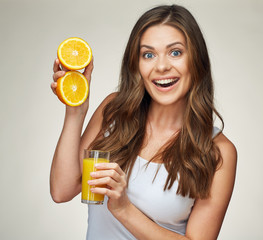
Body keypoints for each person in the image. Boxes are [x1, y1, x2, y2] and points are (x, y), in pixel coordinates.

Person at [50, 4, 237, 240]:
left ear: (196, 60)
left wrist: (124, 208)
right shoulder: (115, 111)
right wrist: (75, 112)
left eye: (176, 52)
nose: (161, 66)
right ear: (136, 64)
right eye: (148, 54)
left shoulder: (219, 152)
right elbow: (62, 190)